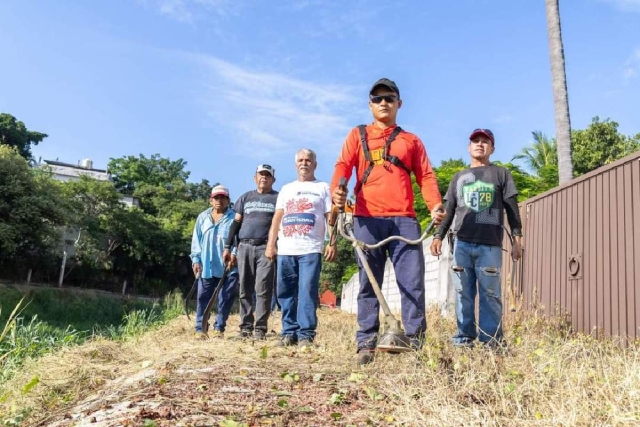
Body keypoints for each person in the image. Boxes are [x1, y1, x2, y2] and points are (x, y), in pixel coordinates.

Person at [331, 78, 445, 365]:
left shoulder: (411, 141)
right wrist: (339, 190)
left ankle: (415, 343)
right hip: (367, 220)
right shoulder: (357, 135)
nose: (384, 103)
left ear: (399, 104)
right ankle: (366, 344)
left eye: (389, 98)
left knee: (412, 283)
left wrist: (435, 206)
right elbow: (343, 167)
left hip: (404, 221)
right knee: (370, 284)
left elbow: (427, 176)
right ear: (370, 104)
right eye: (378, 98)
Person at [430, 128, 523, 348]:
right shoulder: (458, 177)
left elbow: (512, 209)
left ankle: (491, 341)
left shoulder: (501, 174)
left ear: (492, 148)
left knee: (490, 295)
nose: (480, 144)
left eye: (485, 141)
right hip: (461, 243)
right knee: (463, 294)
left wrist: (517, 239)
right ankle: (463, 338)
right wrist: (437, 236)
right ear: (469, 147)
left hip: (490, 245)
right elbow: (449, 210)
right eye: (475, 141)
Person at [266, 148, 336, 348]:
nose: (304, 163)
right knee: (285, 292)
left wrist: (332, 242)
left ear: (315, 164)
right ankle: (288, 332)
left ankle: (305, 334)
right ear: (296, 164)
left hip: (310, 248)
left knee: (307, 291)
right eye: (301, 160)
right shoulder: (287, 189)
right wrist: (271, 244)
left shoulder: (323, 188)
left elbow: (330, 218)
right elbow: (277, 219)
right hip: (286, 249)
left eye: (308, 160)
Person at [223, 164, 278, 341]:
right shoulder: (245, 197)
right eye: (261, 175)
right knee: (244, 288)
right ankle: (245, 327)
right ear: (255, 177)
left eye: (267, 176)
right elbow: (236, 224)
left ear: (273, 180)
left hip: (265, 248)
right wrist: (227, 247)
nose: (264, 178)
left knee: (263, 289)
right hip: (244, 247)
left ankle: (260, 329)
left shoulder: (278, 198)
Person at [190, 184, 239, 339]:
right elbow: (196, 241)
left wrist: (234, 254)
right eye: (216, 198)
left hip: (228, 267)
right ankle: (201, 329)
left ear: (228, 200)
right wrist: (196, 260)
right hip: (206, 266)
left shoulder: (235, 217)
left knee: (225, 298)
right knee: (202, 298)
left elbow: (239, 240)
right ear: (210, 200)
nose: (219, 201)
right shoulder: (202, 218)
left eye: (223, 198)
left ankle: (219, 328)